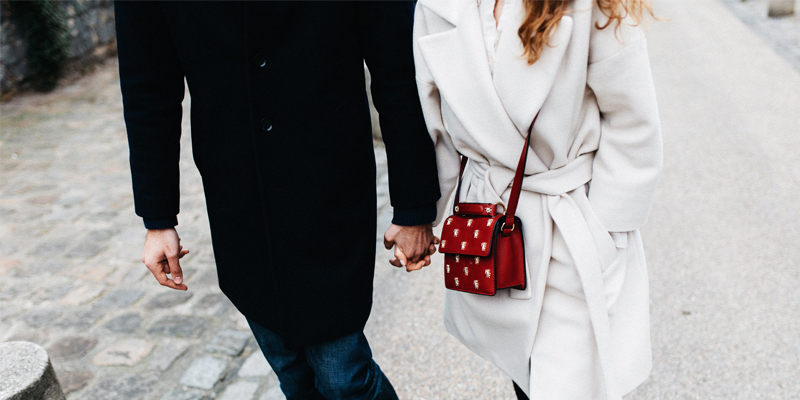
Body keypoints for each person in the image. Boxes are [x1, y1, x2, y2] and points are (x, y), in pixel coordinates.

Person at [114, 2, 441, 399]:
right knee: (294, 375)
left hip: (331, 188)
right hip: (237, 199)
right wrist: (157, 216)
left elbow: (398, 68)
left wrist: (414, 205)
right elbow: (148, 87)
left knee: (343, 377)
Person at [412, 0, 662, 399]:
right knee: (525, 371)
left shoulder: (586, 6)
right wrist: (423, 219)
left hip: (569, 224)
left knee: (566, 380)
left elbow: (632, 120)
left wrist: (606, 230)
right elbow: (435, 124)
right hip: (491, 226)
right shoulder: (439, 5)